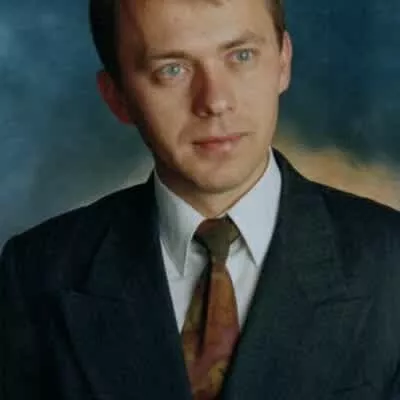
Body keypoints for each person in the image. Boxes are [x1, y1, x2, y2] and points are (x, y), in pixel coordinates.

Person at [1, 0, 400, 398]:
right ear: (116, 95)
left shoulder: (391, 262)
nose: (214, 101)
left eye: (241, 56)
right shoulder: (35, 274)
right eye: (172, 69)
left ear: (283, 61)